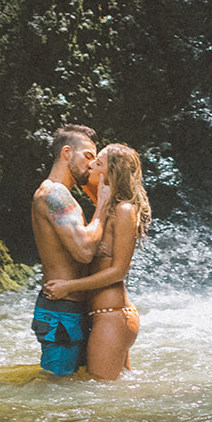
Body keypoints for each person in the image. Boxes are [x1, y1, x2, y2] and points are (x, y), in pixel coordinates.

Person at [43, 142, 150, 380]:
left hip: (113, 316)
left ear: (112, 173)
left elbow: (118, 272)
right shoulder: (106, 208)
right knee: (117, 391)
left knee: (103, 394)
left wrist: (69, 287)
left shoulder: (123, 211)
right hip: (105, 316)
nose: (90, 165)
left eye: (98, 163)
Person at [30, 124, 112, 376]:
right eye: (88, 156)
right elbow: (84, 251)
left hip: (70, 308)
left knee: (72, 390)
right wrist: (103, 205)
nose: (91, 165)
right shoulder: (54, 194)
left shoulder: (64, 193)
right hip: (60, 314)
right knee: (56, 392)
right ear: (67, 152)